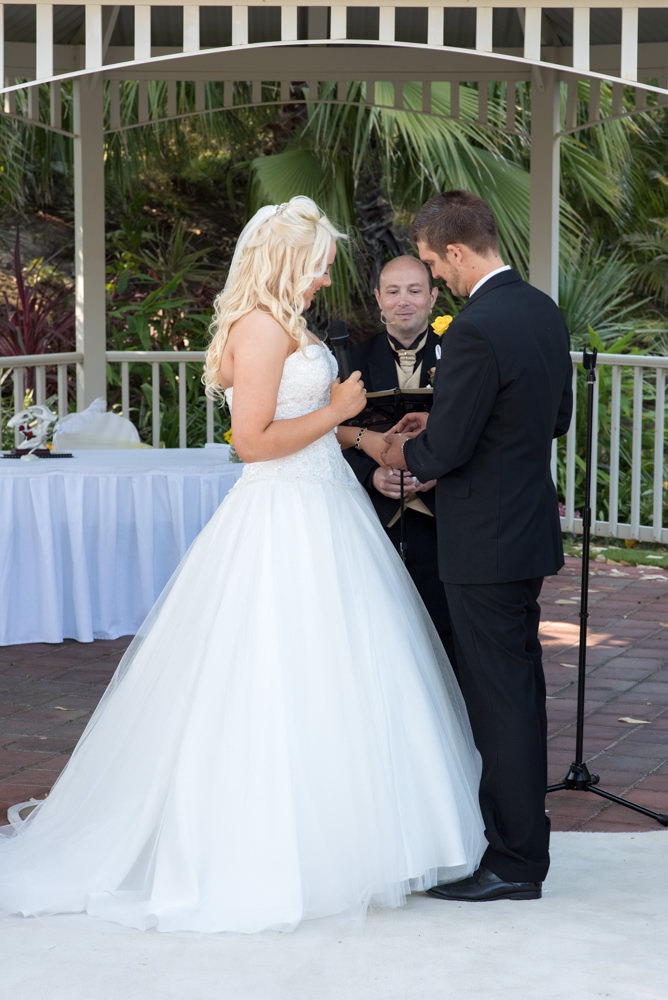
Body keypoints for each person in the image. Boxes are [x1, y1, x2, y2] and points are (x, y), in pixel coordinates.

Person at [0, 197, 485, 934]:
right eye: (319, 263)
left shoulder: (285, 324)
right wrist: (338, 410)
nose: (325, 279)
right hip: (283, 518)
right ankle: (280, 851)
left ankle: (362, 838)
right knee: (278, 675)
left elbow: (304, 425)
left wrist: (362, 436)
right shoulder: (259, 328)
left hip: (324, 505)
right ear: (289, 261)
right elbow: (252, 441)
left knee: (347, 674)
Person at [383, 190, 573, 902]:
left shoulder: (472, 329)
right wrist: (439, 415)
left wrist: (403, 455)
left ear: (456, 252)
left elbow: (451, 448)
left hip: (482, 543)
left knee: (499, 704)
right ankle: (521, 848)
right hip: (525, 530)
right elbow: (551, 416)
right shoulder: (540, 311)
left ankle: (514, 863)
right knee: (518, 691)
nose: (439, 276)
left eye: (433, 263)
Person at [345, 255, 457, 667]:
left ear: (432, 297)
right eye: (393, 291)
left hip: (443, 518)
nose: (403, 301)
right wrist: (370, 474)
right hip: (373, 517)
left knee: (445, 630)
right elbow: (329, 437)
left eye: (414, 290)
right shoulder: (350, 361)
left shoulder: (461, 355)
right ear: (378, 298)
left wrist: (436, 473)